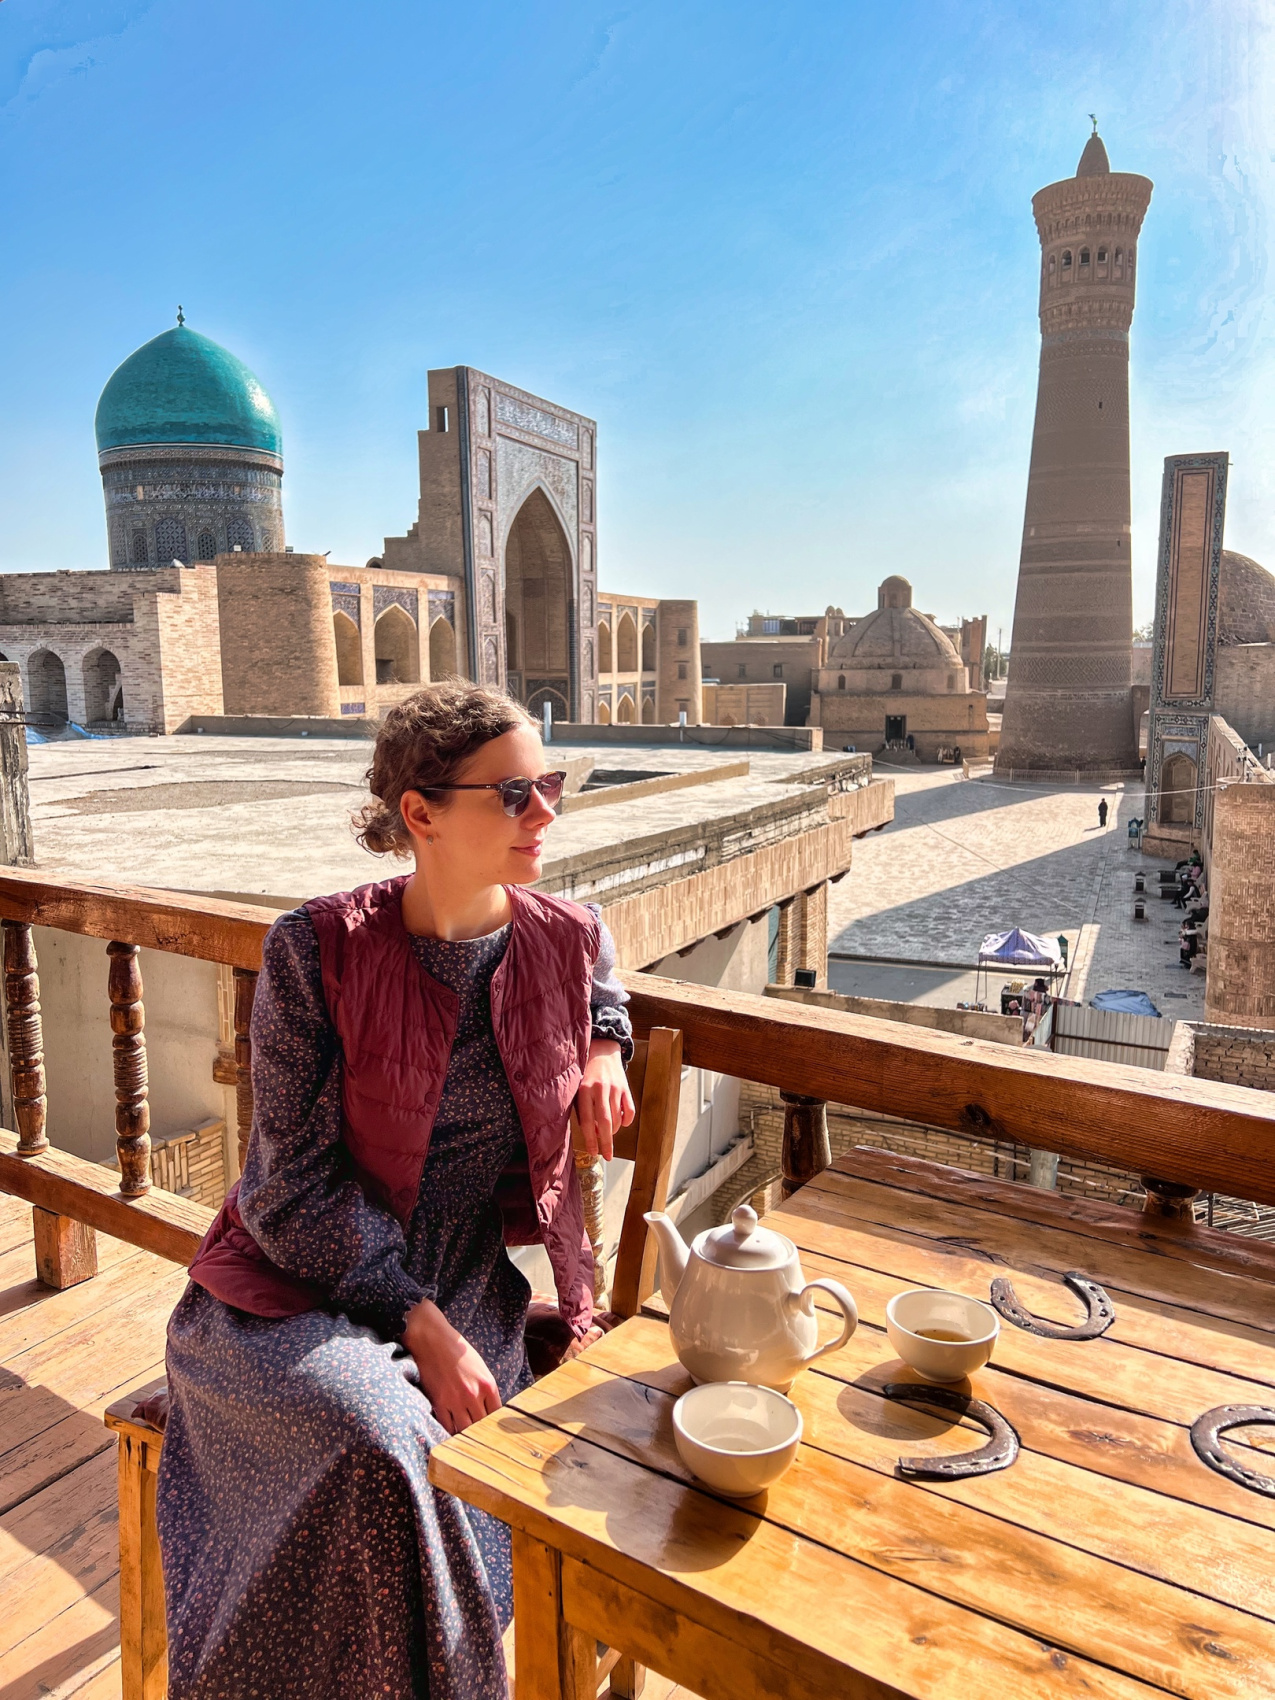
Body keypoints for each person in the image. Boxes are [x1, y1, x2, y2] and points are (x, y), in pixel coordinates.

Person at [156, 683, 637, 1700]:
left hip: (464, 1276)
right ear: (420, 812)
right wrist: (418, 1322)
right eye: (514, 794)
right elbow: (286, 1185)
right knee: (378, 1439)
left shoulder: (563, 933)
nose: (547, 813)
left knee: (398, 1466)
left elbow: (598, 966)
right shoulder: (314, 949)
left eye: (550, 784)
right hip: (289, 1281)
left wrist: (606, 1045)